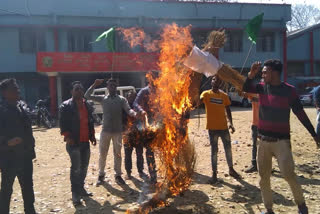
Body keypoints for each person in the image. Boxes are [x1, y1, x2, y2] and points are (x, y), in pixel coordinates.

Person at [243, 59, 320, 214]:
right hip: (263, 141)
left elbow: (301, 114)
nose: (262, 74)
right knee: (263, 177)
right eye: (262, 72)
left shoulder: (289, 91)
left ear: (275, 73)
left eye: (265, 72)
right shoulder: (261, 88)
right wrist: (251, 74)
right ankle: (269, 209)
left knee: (289, 175)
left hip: (281, 142)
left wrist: (314, 135)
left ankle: (301, 206)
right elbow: (246, 87)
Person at [85, 78, 137, 186]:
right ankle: (101, 175)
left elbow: (128, 110)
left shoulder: (121, 99)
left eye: (114, 85)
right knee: (102, 154)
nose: (112, 87)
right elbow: (87, 96)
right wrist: (94, 84)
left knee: (117, 154)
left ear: (116, 87)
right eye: (110, 85)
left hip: (118, 132)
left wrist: (135, 114)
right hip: (105, 131)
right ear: (107, 87)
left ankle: (118, 175)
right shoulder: (103, 99)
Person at [0, 78, 37, 214]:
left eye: (17, 87)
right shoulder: (1, 110)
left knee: (28, 187)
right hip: (9, 158)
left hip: (25, 156)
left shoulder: (22, 106)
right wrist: (7, 143)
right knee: (6, 189)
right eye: (14, 89)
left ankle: (30, 210)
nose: (18, 90)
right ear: (4, 93)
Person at [59, 81, 96, 206]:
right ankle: (75, 194)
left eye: (81, 89)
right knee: (76, 169)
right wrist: (67, 136)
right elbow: (62, 124)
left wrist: (92, 136)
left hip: (85, 141)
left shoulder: (87, 105)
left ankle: (81, 188)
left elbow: (90, 122)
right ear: (71, 92)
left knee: (84, 167)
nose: (79, 91)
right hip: (73, 142)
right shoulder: (66, 106)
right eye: (76, 89)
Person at [200, 75, 241, 184]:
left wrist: (231, 123)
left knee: (228, 149)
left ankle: (231, 169)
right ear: (211, 82)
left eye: (218, 80)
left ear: (220, 83)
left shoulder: (224, 96)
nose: (216, 81)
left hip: (223, 128)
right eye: (214, 79)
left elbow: (228, 110)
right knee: (214, 151)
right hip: (212, 129)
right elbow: (198, 101)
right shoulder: (206, 94)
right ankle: (214, 174)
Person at [133, 71, 159, 185]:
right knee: (149, 150)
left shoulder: (162, 92)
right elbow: (135, 103)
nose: (154, 80)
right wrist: (142, 111)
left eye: (156, 78)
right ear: (149, 79)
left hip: (160, 124)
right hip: (148, 124)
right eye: (152, 78)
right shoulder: (144, 91)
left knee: (167, 149)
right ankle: (153, 175)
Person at [123, 91, 145, 179]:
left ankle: (141, 171)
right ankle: (128, 172)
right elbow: (121, 121)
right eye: (130, 97)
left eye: (134, 97)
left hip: (138, 134)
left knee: (139, 154)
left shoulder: (139, 107)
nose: (132, 98)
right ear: (127, 98)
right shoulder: (123, 108)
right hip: (127, 135)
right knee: (128, 155)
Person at [244, 93, 259, 173]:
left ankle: (266, 165)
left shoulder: (269, 95)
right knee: (254, 145)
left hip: (265, 125)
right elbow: (243, 94)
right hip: (255, 124)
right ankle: (254, 164)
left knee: (265, 146)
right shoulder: (253, 94)